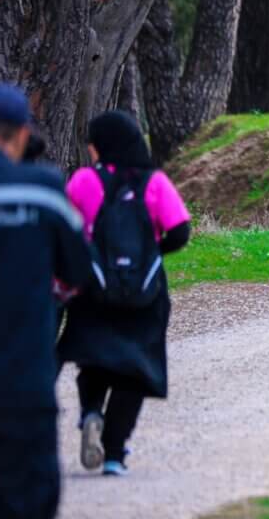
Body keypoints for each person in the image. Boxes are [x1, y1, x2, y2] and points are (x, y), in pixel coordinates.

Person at [0, 83, 93, 519]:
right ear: (23, 135)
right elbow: (80, 270)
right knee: (28, 502)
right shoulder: (44, 192)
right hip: (21, 377)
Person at [57, 111, 191, 477]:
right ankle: (114, 453)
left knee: (94, 358)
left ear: (102, 146)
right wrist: (150, 252)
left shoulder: (84, 180)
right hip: (143, 293)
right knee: (134, 370)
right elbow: (180, 231)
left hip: (93, 289)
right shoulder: (155, 182)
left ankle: (90, 413)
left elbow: (66, 232)